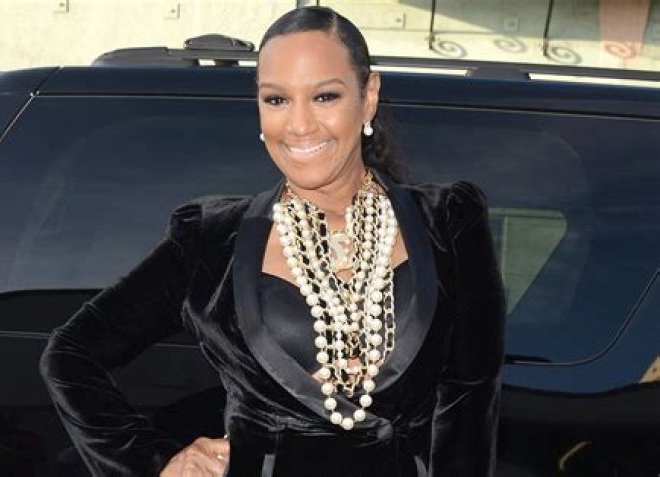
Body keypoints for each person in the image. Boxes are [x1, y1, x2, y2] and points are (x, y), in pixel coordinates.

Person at [39, 6, 506, 477]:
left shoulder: (447, 222)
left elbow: (470, 403)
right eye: (277, 99)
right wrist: (158, 462)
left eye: (324, 96)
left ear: (368, 97)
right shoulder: (210, 242)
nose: (299, 125)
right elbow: (70, 355)